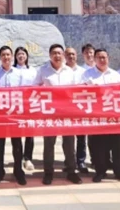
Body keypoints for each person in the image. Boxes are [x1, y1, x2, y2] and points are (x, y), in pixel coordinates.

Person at [81, 49, 120, 184]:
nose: (102, 60)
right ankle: (100, 171)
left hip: (113, 116)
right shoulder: (87, 75)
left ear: (108, 58)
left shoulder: (116, 75)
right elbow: (81, 92)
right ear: (95, 59)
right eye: (99, 57)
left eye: (104, 57)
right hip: (97, 116)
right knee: (99, 145)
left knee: (116, 145)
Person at [35, 44, 82, 186]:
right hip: (50, 113)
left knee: (69, 143)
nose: (57, 56)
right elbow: (35, 88)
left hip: (67, 113)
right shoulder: (43, 71)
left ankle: (71, 171)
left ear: (63, 56)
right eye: (54, 53)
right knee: (49, 144)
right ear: (50, 55)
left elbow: (77, 91)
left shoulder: (70, 71)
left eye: (59, 53)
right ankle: (48, 173)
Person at [0, 46, 26, 186]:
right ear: (0, 57)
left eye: (8, 54)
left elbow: (23, 93)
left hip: (15, 114)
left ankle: (18, 171)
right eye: (3, 55)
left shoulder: (19, 73)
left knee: (17, 144)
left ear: (12, 57)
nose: (6, 57)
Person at [64, 47, 89, 174]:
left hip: (80, 107)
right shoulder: (61, 71)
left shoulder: (83, 72)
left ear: (76, 55)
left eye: (73, 54)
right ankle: (69, 161)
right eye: (68, 54)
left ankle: (81, 161)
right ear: (65, 56)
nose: (71, 56)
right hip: (65, 108)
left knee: (81, 137)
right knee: (67, 137)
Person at [15, 46, 36, 172]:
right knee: (16, 133)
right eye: (18, 54)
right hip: (15, 104)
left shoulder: (32, 70)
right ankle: (18, 158)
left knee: (30, 132)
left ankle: (27, 158)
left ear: (27, 56)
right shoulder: (12, 70)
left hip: (29, 104)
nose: (21, 56)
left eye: (23, 54)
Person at [77, 43, 96, 172]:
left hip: (97, 107)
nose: (89, 55)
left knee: (95, 136)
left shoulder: (99, 69)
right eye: (86, 53)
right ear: (83, 55)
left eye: (91, 53)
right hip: (83, 106)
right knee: (81, 136)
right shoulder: (80, 71)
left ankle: (96, 159)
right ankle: (81, 161)